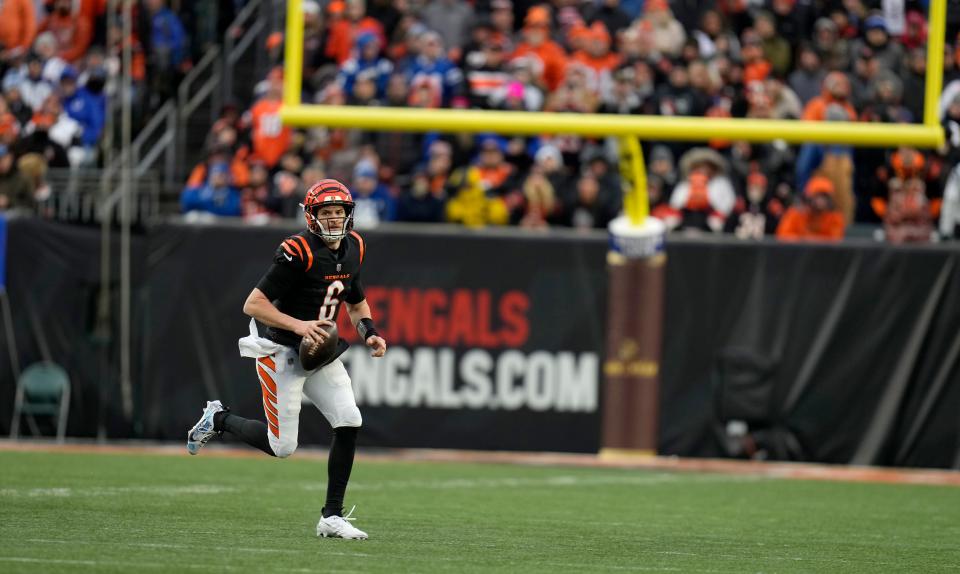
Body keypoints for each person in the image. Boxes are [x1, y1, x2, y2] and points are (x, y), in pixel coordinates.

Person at [186, 179, 387, 541]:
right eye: (326, 212)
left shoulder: (355, 246)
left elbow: (355, 302)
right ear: (311, 216)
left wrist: (369, 332)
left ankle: (332, 516)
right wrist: (301, 325)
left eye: (339, 212)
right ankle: (218, 418)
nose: (334, 219)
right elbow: (254, 304)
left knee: (349, 419)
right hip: (282, 350)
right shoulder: (298, 250)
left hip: (320, 351)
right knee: (283, 448)